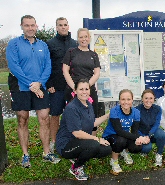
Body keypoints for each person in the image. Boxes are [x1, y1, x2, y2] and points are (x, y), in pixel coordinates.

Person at [6, 15, 60, 168]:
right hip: (21, 87)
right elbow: (14, 67)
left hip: (39, 86)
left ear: (36, 26)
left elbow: (47, 66)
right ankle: (25, 155)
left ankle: (46, 152)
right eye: (26, 25)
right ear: (22, 26)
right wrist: (31, 84)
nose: (30, 28)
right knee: (23, 118)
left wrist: (40, 83)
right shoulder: (14, 44)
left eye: (32, 25)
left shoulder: (42, 45)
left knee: (44, 117)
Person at [55, 79, 112, 180]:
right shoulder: (72, 108)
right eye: (81, 89)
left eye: (86, 89)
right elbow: (77, 133)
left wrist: (108, 115)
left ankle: (80, 156)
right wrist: (98, 139)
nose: (84, 92)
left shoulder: (88, 105)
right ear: (75, 91)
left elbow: (92, 123)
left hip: (80, 143)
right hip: (66, 145)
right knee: (94, 144)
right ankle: (76, 167)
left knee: (107, 149)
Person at [46, 17, 77, 153]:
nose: (63, 27)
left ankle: (72, 139)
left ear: (68, 26)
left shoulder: (75, 44)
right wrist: (49, 83)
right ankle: (54, 141)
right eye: (60, 25)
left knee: (72, 115)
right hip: (56, 87)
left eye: (65, 25)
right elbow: (46, 65)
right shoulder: (50, 44)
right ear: (56, 27)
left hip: (72, 87)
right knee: (55, 115)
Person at [62, 28, 100, 136]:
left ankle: (93, 143)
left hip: (90, 90)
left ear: (89, 38)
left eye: (86, 36)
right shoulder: (71, 52)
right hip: (73, 89)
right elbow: (65, 70)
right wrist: (75, 88)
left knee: (92, 116)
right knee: (73, 117)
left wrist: (86, 87)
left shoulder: (94, 55)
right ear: (78, 38)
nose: (84, 39)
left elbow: (97, 73)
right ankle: (73, 142)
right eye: (81, 37)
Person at [102, 89, 146, 175]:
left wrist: (138, 139)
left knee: (137, 147)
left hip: (124, 135)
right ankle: (114, 160)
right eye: (123, 99)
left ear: (132, 100)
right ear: (119, 100)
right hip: (111, 136)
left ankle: (124, 151)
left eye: (128, 99)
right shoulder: (114, 111)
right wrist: (138, 137)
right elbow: (119, 131)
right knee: (120, 140)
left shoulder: (136, 112)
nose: (126, 102)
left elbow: (134, 131)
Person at [136, 89, 165, 166]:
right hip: (141, 133)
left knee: (161, 134)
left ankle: (159, 154)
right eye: (146, 98)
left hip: (152, 132)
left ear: (154, 99)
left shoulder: (158, 109)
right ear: (142, 99)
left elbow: (157, 124)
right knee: (147, 149)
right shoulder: (136, 110)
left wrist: (149, 135)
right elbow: (135, 127)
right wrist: (142, 137)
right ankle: (143, 150)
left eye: (151, 98)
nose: (148, 100)